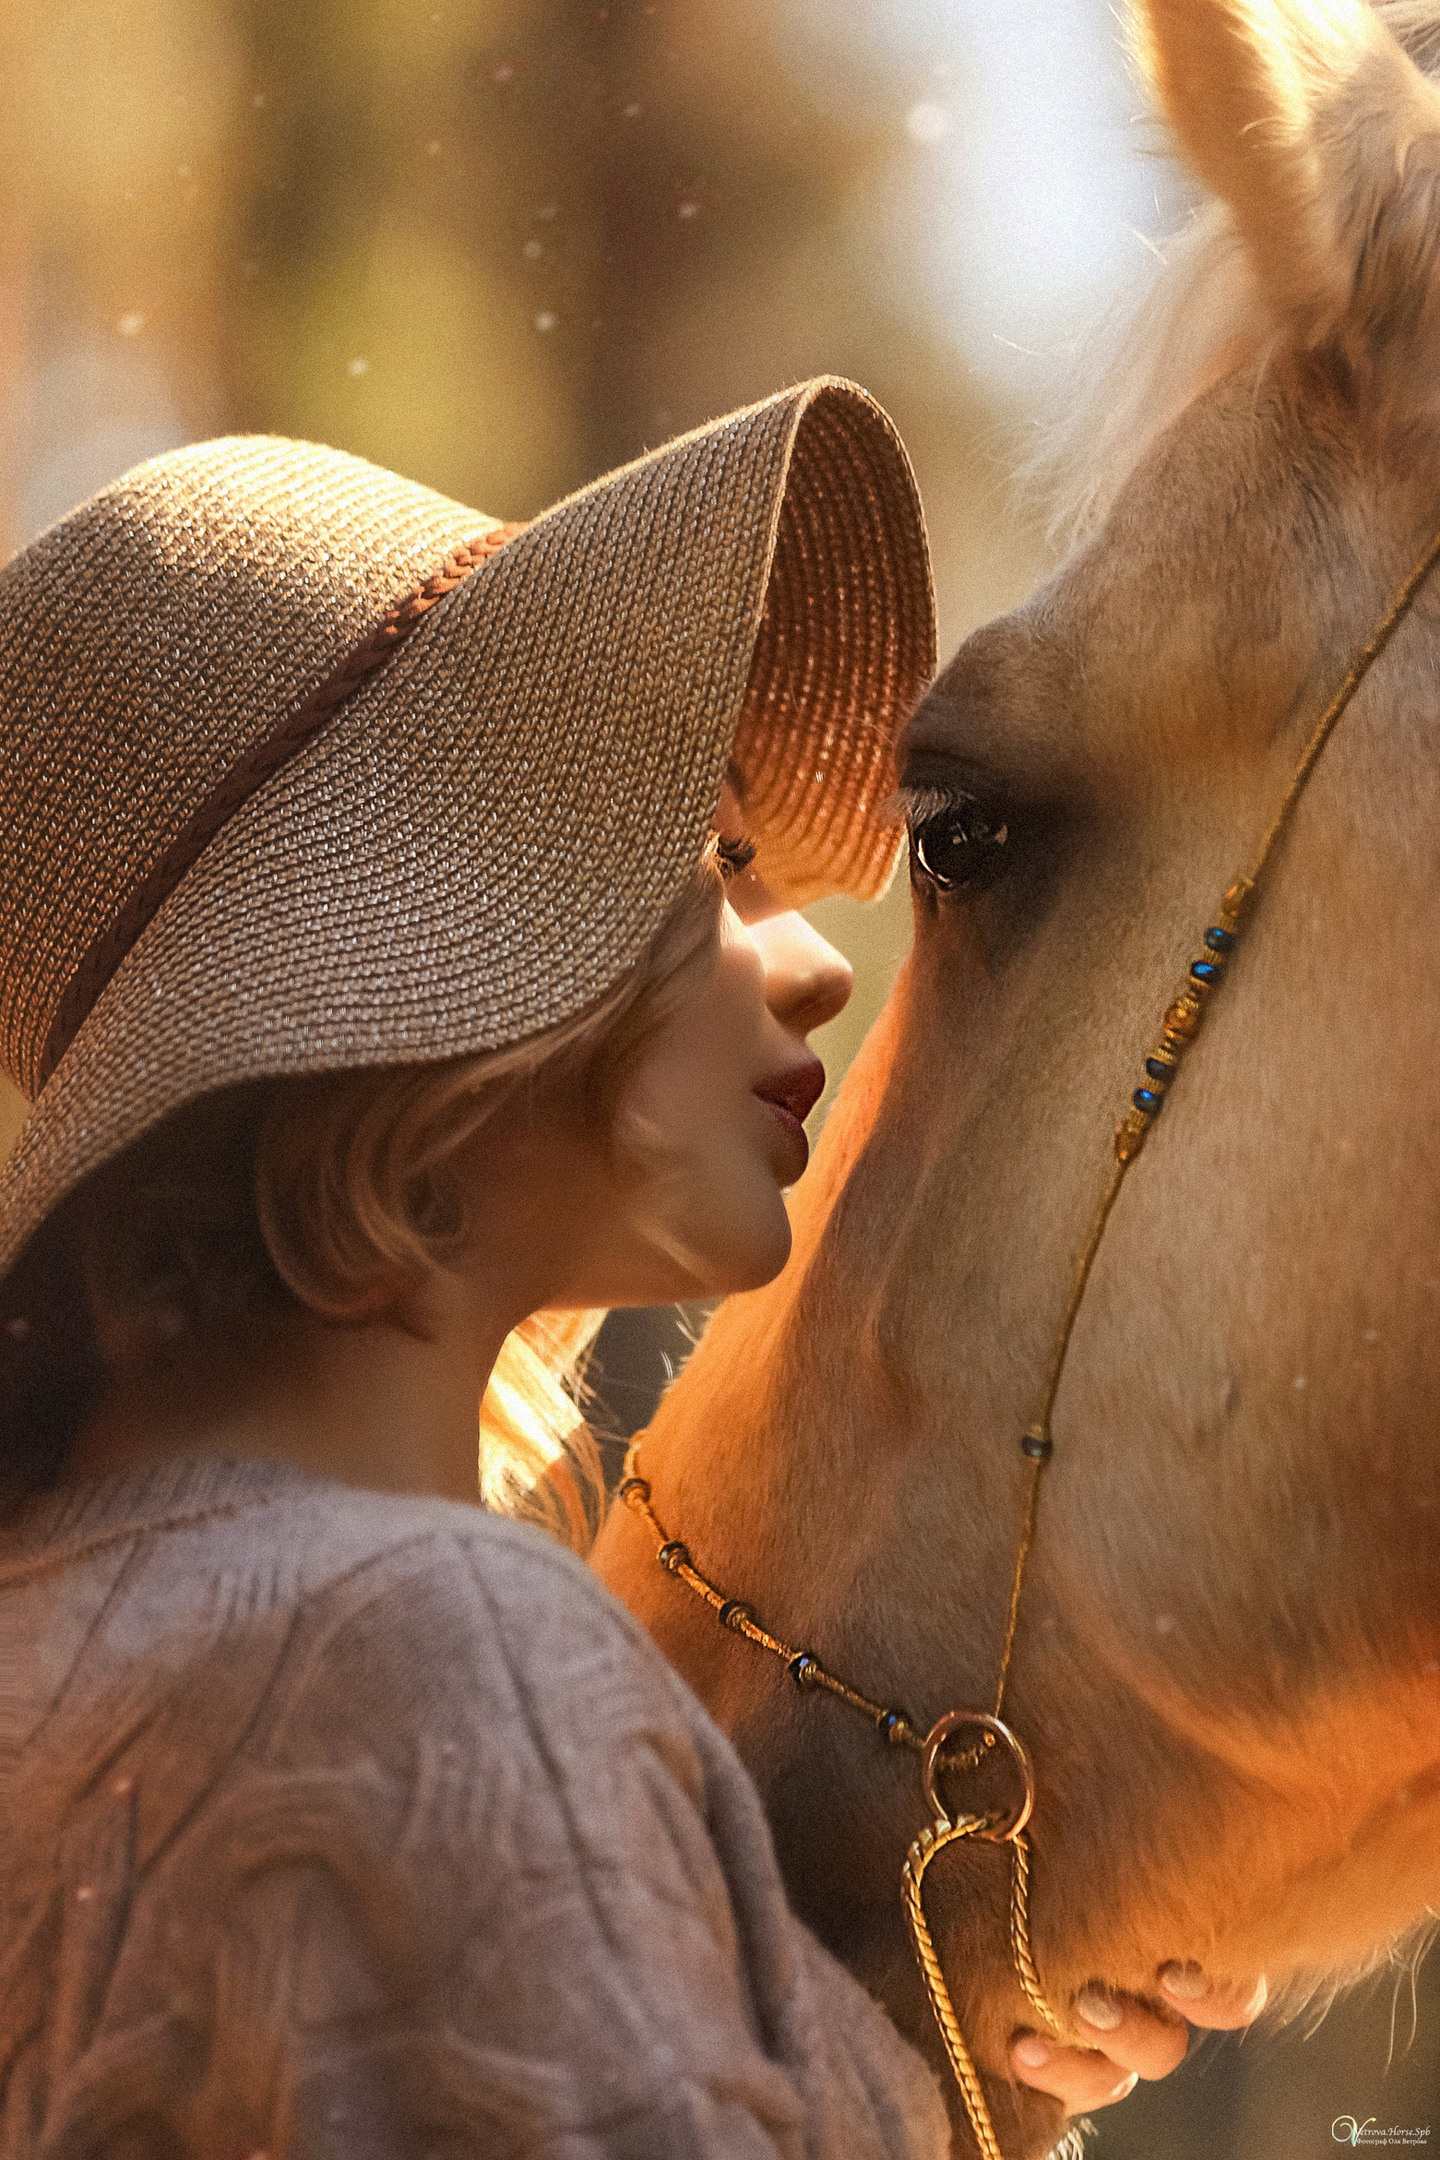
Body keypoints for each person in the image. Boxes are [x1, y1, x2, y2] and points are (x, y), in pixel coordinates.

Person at [0, 387, 1215, 2159]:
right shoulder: (440, 1659)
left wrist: (945, 2052)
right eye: (716, 858)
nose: (812, 969)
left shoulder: (88, 1657)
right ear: (424, 934)